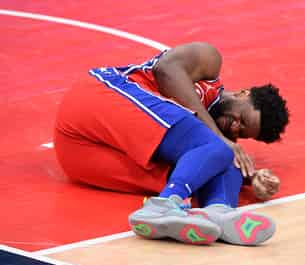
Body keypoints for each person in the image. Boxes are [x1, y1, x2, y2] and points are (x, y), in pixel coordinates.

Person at [54, 42, 289, 246]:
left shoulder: (210, 138)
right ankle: (164, 204)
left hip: (80, 155)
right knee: (217, 149)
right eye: (243, 119)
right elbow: (166, 69)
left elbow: (215, 153)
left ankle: (217, 212)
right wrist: (219, 137)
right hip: (97, 99)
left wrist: (251, 177)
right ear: (243, 94)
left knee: (223, 159)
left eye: (243, 131)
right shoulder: (209, 63)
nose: (235, 127)